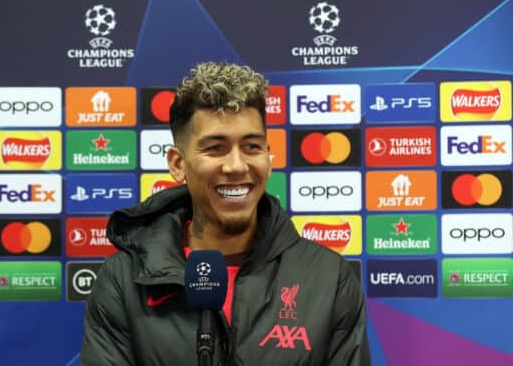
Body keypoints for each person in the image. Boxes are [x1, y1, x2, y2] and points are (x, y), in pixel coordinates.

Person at [81, 62, 371, 365]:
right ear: (178, 164)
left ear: (268, 158)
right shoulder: (123, 281)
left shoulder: (328, 278)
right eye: (215, 148)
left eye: (251, 146)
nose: (236, 166)